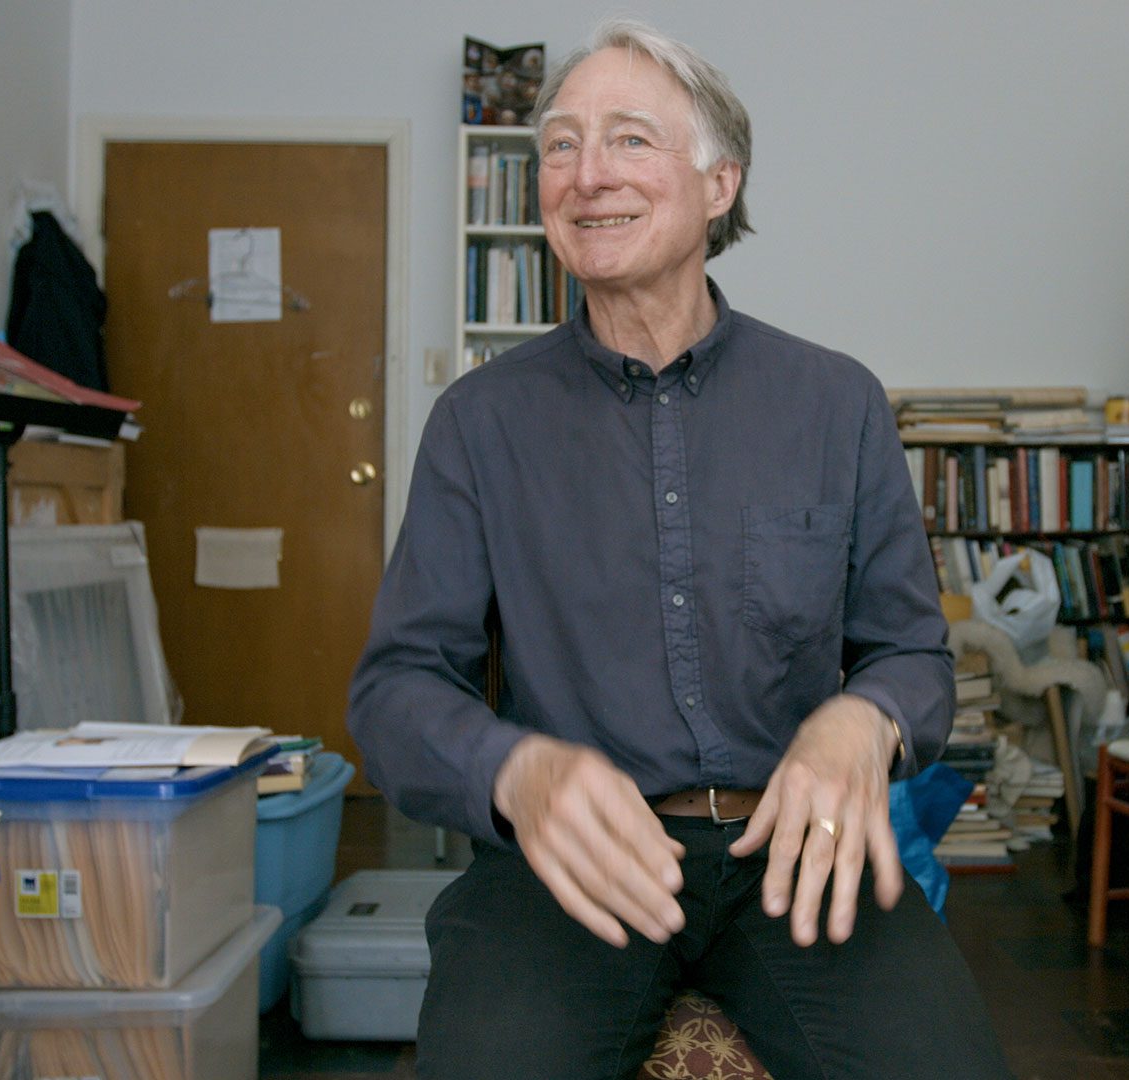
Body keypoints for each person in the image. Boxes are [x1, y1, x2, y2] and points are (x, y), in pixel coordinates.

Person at [348, 18, 1012, 1080]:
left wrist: (865, 720)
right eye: (560, 146)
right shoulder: (480, 422)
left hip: (792, 854)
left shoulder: (836, 403)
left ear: (719, 184)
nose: (586, 175)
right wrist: (516, 771)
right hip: (572, 862)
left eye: (628, 138)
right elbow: (395, 691)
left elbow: (912, 654)